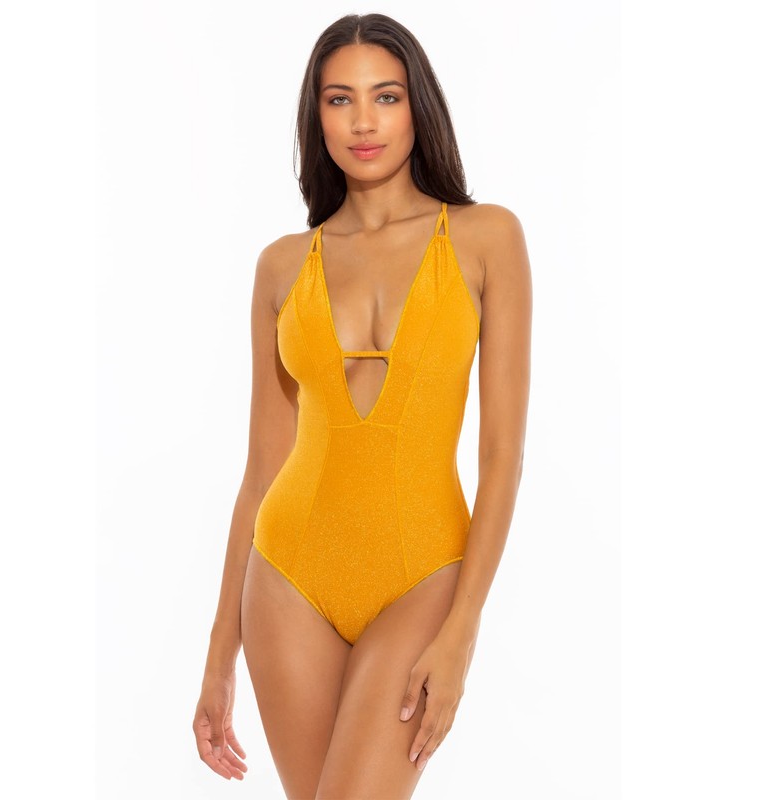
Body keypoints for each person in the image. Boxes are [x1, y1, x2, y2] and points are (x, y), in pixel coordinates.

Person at [192, 12, 531, 799]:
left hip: (424, 573)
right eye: (340, 100)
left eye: (386, 96)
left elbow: (502, 455)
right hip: (287, 576)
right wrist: (218, 657)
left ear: (419, 107)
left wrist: (463, 631)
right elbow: (262, 468)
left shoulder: (486, 239)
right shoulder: (281, 266)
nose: (364, 121)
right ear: (317, 117)